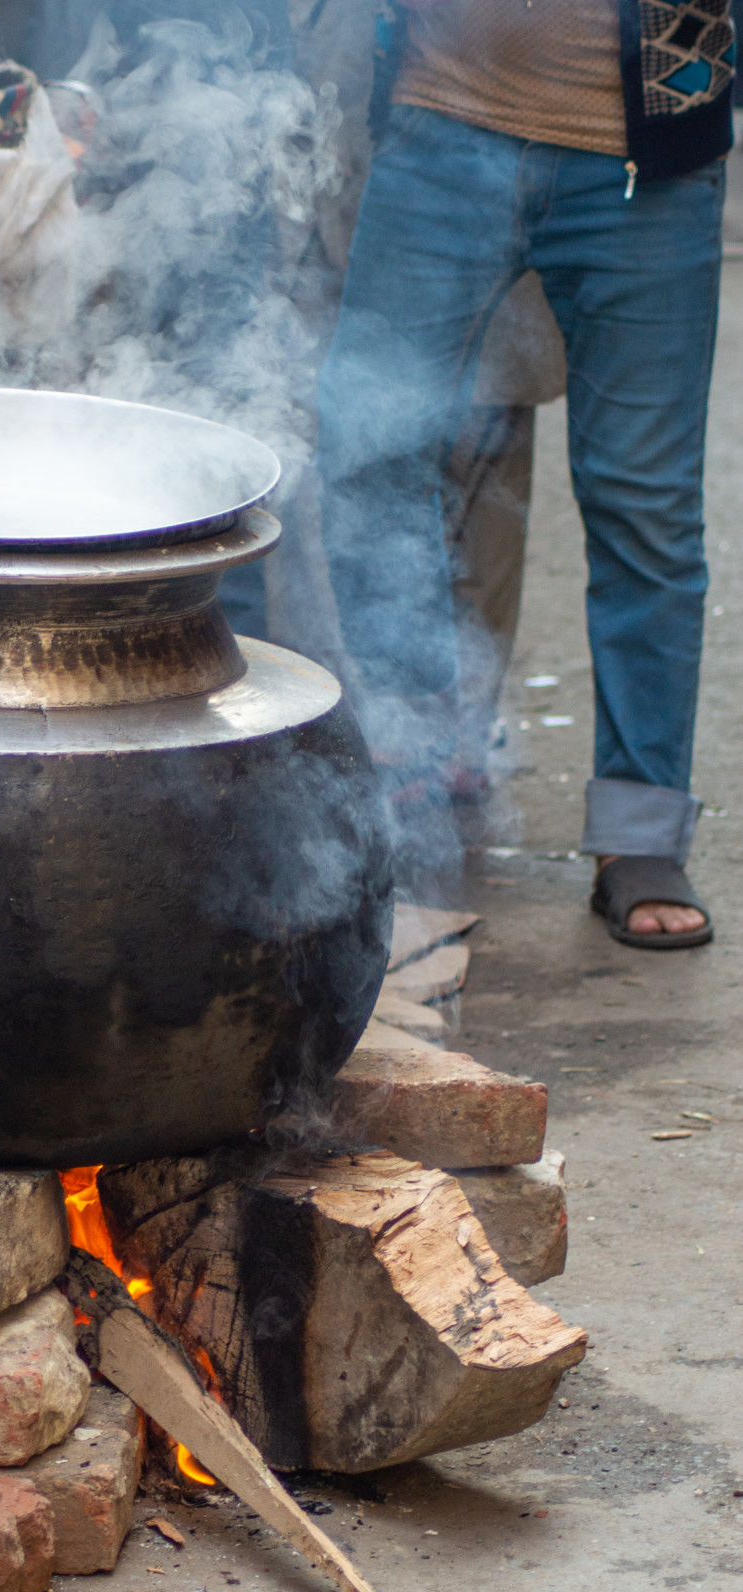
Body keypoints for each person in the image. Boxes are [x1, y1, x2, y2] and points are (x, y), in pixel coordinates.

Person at [317, 0, 734, 946]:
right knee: (364, 445)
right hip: (439, 128)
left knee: (643, 502)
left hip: (645, 166)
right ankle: (413, 752)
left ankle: (638, 833)